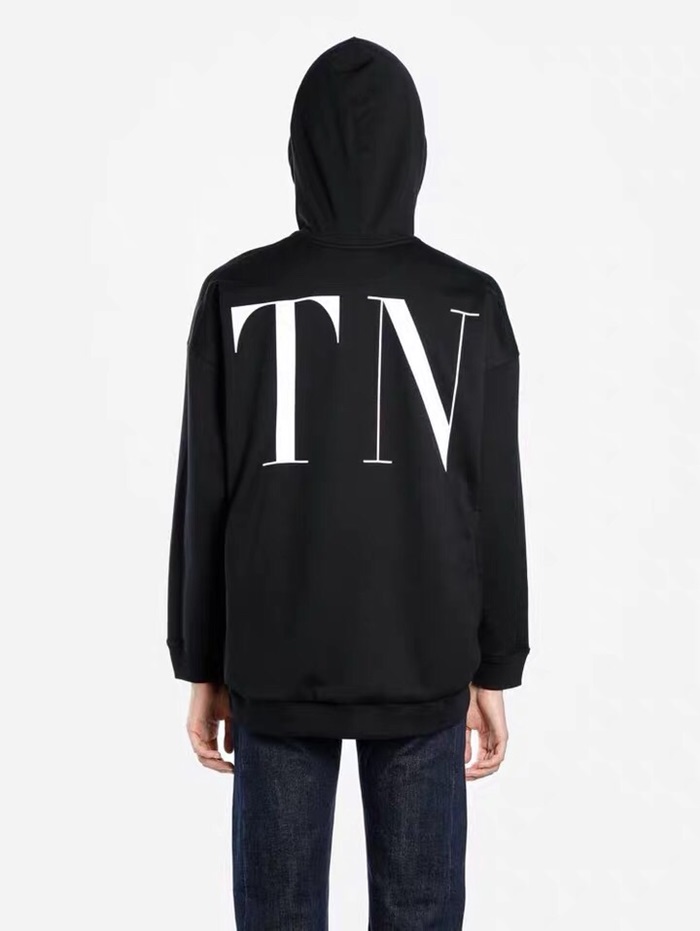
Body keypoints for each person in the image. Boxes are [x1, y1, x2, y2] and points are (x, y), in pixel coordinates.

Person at [167, 36, 529, 930]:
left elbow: (204, 495)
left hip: (275, 656)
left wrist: (200, 660)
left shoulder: (236, 292)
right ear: (416, 151)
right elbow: (493, 497)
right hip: (425, 656)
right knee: (421, 911)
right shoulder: (469, 299)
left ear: (299, 150)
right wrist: (495, 662)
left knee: (277, 913)